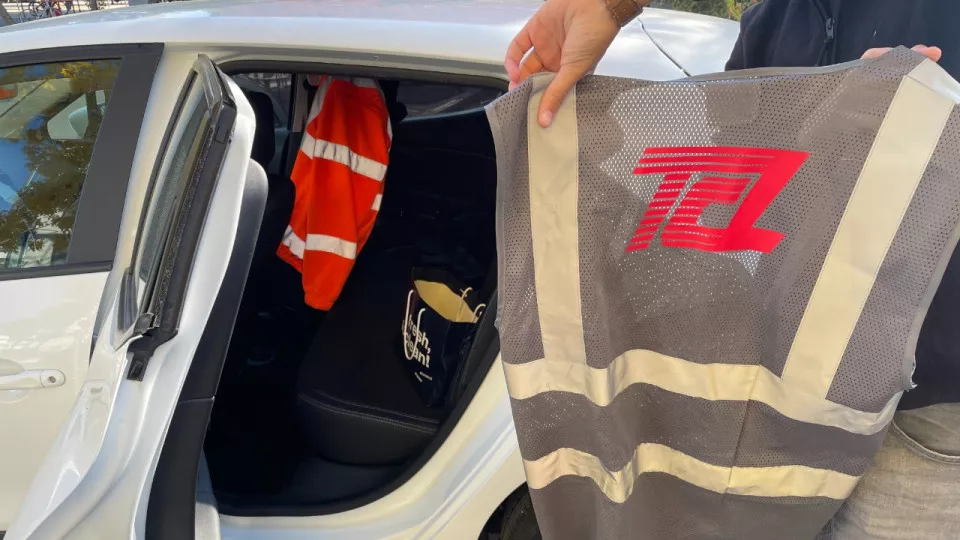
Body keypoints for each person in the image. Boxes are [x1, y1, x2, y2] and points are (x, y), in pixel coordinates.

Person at [506, 1, 960, 538]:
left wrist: (926, 130)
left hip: (926, 412)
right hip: (775, 394)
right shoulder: (775, 21)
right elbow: (732, 208)